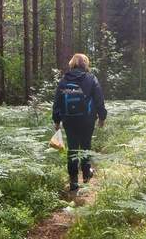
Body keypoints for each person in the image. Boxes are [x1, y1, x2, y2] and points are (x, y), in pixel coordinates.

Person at [52, 53, 107, 191]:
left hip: (69, 120)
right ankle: (87, 175)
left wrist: (56, 120)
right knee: (86, 146)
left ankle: (73, 181)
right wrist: (102, 117)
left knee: (72, 149)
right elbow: (99, 99)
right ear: (85, 63)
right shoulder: (90, 78)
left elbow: (58, 101)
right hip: (87, 119)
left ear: (72, 63)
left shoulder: (64, 80)